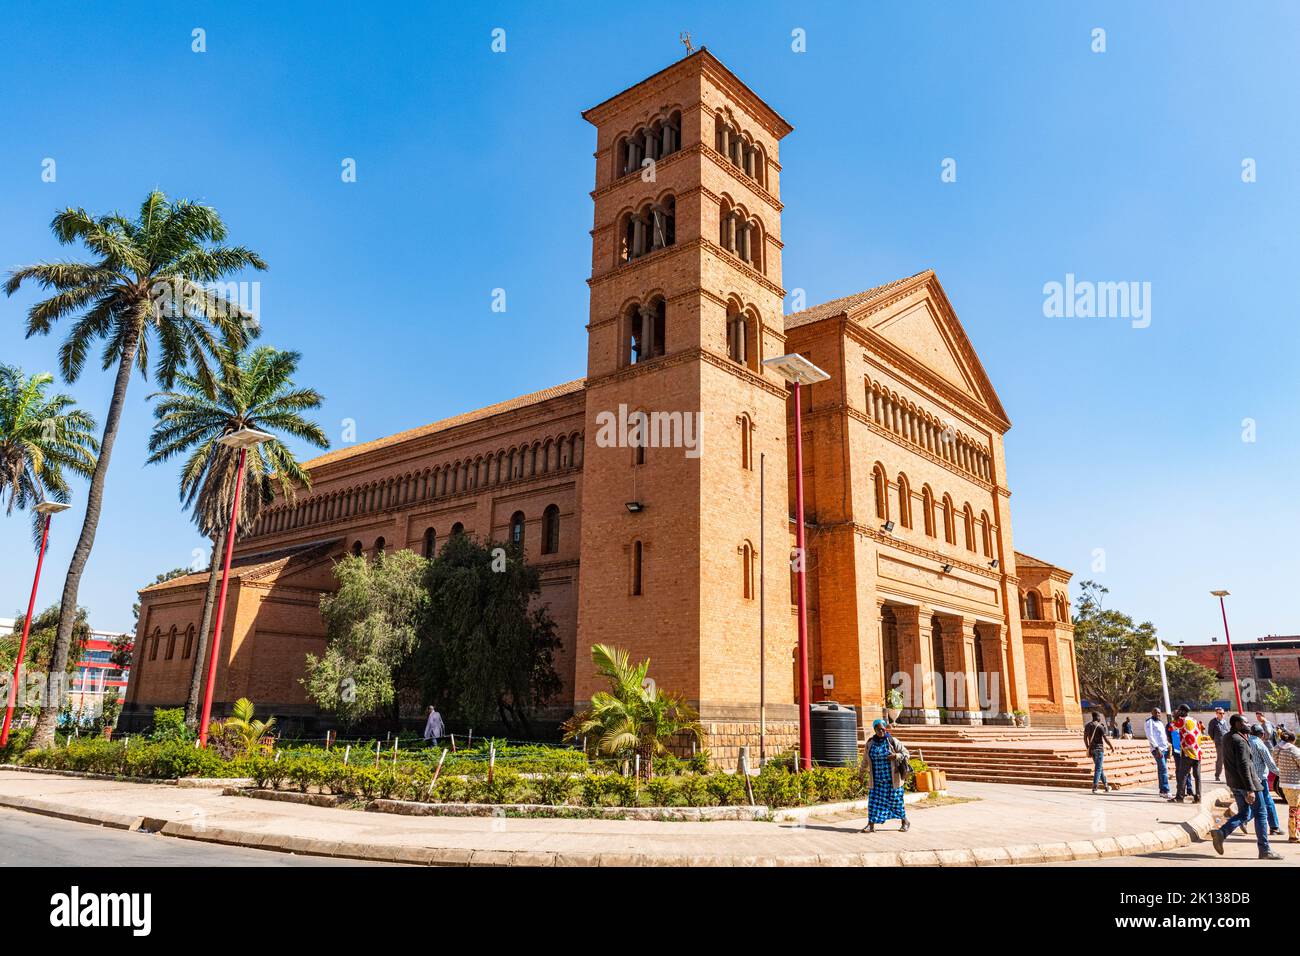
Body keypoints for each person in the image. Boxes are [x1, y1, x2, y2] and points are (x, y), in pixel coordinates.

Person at [1211, 714, 1281, 860]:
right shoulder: (1240, 741)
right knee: (1261, 814)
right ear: (1237, 724)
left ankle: (1222, 833)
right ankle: (1265, 850)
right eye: (1245, 723)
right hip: (1247, 784)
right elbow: (1244, 766)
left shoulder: (1227, 737)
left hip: (1235, 783)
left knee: (1244, 813)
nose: (1248, 725)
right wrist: (1250, 789)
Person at [862, 718, 910, 833]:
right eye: (878, 729)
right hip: (877, 781)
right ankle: (870, 825)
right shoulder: (870, 743)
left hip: (892, 780)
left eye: (883, 729)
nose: (881, 731)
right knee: (873, 803)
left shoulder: (892, 741)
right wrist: (861, 773)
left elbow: (906, 754)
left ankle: (905, 822)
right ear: (874, 730)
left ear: (885, 728)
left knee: (896, 802)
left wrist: (896, 756)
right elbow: (865, 760)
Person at [1248, 724, 1282, 836]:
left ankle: (1244, 820)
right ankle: (1274, 827)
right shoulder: (1259, 744)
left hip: (1247, 778)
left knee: (1256, 802)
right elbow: (1270, 764)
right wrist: (1282, 774)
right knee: (1266, 802)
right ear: (1262, 734)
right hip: (1260, 778)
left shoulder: (1245, 742)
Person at [1274, 728, 1300, 843]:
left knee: (1293, 808)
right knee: (1295, 810)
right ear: (1292, 740)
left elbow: (1275, 763)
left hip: (1284, 783)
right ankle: (1294, 835)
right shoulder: (1293, 750)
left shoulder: (1277, 749)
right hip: (1295, 784)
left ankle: (1294, 833)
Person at [1173, 708, 1202, 803]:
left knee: (1183, 775)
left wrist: (1175, 717)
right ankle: (1198, 797)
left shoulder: (1182, 720)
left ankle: (1179, 797)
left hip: (1187, 752)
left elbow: (1172, 727)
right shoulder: (1194, 720)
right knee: (1197, 776)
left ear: (1182, 712)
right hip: (1197, 752)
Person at [1144, 708, 1171, 798]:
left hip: (1165, 748)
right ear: (1152, 713)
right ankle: (1166, 790)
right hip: (1157, 749)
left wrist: (1168, 746)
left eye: (1159, 712)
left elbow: (1163, 736)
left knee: (1161, 769)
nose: (1158, 714)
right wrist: (1157, 748)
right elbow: (1150, 736)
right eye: (1156, 712)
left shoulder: (1160, 722)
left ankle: (1162, 791)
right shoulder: (1149, 722)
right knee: (1163, 769)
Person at [1085, 712, 1115, 793]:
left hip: (1092, 750)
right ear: (1097, 717)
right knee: (1098, 768)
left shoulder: (1087, 726)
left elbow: (1085, 738)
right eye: (1099, 717)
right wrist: (1111, 746)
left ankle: (1106, 786)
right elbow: (1105, 739)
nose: (1100, 718)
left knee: (1099, 767)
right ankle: (1095, 786)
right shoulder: (1100, 726)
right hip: (1099, 749)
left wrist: (1088, 748)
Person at [1207, 707, 1229, 782]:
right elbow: (1210, 733)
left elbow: (1227, 730)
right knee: (1220, 759)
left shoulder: (1225, 722)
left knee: (1228, 760)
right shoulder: (1213, 722)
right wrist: (1216, 739)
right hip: (1219, 743)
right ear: (1216, 714)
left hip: (1227, 743)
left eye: (1223, 713)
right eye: (1220, 713)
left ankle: (1228, 776)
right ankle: (1217, 775)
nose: (1222, 715)